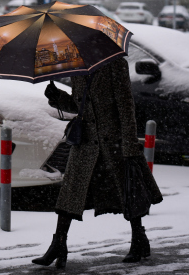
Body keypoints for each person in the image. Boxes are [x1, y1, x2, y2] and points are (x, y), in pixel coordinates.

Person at [32, 57, 163, 269]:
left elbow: (125, 105)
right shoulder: (76, 64)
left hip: (112, 142)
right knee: (70, 195)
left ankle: (139, 239)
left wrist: (129, 145)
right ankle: (58, 245)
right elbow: (79, 105)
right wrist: (57, 98)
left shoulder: (114, 62)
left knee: (128, 192)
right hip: (86, 143)